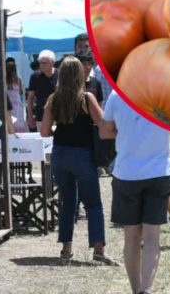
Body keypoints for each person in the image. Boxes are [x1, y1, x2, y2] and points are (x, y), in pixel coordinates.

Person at [39, 57, 115, 265]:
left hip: (60, 155)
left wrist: (59, 128)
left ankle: (66, 250)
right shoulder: (87, 98)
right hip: (82, 155)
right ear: (80, 75)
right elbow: (104, 125)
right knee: (93, 204)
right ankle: (98, 249)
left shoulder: (53, 99)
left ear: (61, 75)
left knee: (67, 203)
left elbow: (44, 132)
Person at [99, 91, 170, 294]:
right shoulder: (167, 94)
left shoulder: (117, 95)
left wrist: (127, 132)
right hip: (159, 172)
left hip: (127, 173)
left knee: (131, 237)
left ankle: (137, 291)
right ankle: (145, 289)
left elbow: (104, 131)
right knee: (152, 237)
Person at [27, 50, 58, 133]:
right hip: (41, 115)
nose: (41, 65)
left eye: (44, 63)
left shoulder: (60, 74)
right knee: (43, 141)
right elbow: (30, 97)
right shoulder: (35, 76)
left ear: (53, 63)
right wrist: (30, 116)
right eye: (40, 63)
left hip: (58, 116)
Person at [6, 58, 24, 133]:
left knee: (8, 119)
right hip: (17, 103)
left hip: (7, 102)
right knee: (17, 119)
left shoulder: (4, 79)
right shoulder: (17, 79)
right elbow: (21, 91)